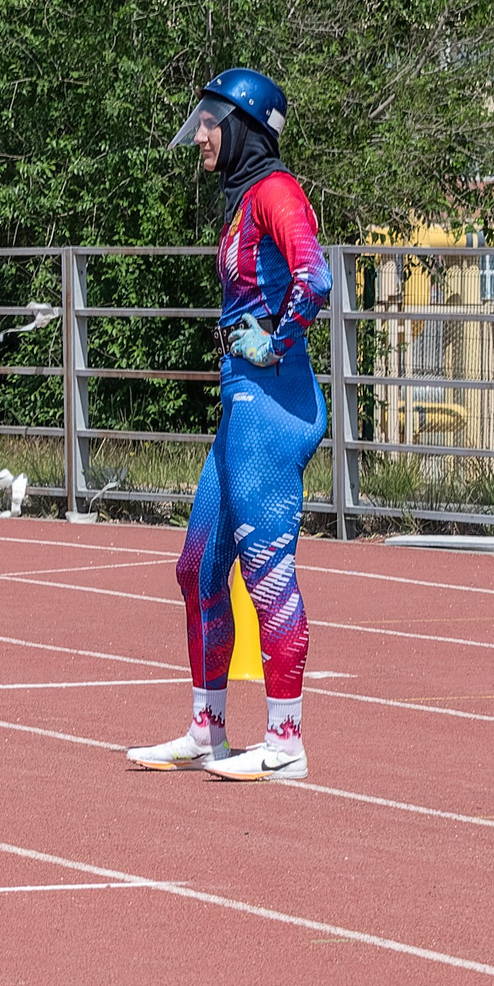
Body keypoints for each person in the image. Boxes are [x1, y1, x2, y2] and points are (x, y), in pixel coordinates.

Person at [127, 69, 330, 782]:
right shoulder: (245, 198)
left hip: (272, 400)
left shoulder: (275, 190)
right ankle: (207, 728)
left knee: (266, 570)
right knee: (198, 566)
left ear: (246, 124)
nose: (202, 135)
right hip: (241, 393)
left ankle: (285, 740)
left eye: (212, 121)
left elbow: (316, 277)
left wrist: (274, 340)